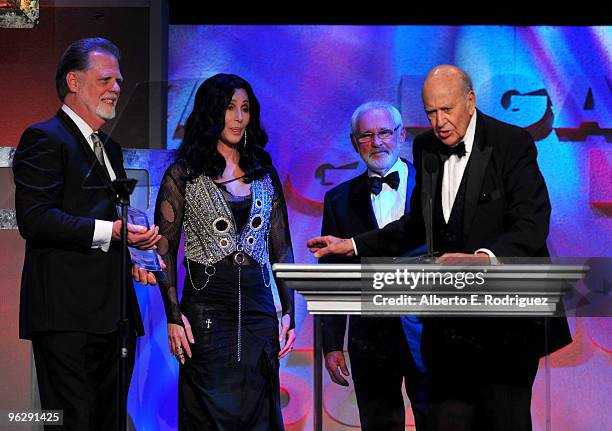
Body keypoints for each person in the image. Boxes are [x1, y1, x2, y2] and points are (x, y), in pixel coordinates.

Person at [308, 65, 572, 431]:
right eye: (431, 112)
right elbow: (417, 224)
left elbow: (532, 222)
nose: (439, 121)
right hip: (449, 329)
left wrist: (482, 260)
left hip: (506, 326)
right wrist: (352, 244)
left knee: (503, 422)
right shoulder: (426, 147)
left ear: (470, 101)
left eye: (446, 110)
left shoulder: (511, 142)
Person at [12, 37, 160, 430]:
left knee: (109, 422)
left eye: (119, 81)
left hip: (115, 316)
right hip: (66, 316)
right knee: (70, 423)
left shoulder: (110, 149)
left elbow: (108, 220)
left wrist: (135, 255)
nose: (116, 88)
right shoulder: (43, 138)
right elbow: (36, 219)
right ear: (73, 82)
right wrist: (112, 232)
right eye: (106, 79)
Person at [153, 73, 296, 430]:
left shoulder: (265, 174)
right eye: (229, 108)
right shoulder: (183, 174)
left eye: (245, 109)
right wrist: (172, 315)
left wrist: (289, 312)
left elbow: (283, 249)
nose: (238, 117)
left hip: (259, 314)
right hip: (205, 314)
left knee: (259, 413)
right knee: (207, 413)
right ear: (210, 113)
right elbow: (163, 250)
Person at [320, 101, 428, 430]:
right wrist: (332, 343)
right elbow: (334, 277)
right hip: (370, 337)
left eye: (384, 132)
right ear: (354, 143)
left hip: (431, 332)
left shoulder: (433, 187)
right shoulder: (338, 199)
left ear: (402, 135)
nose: (377, 142)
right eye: (366, 135)